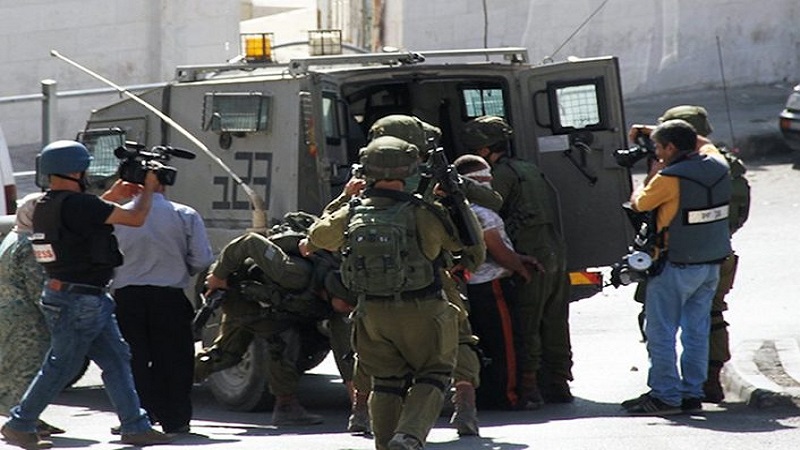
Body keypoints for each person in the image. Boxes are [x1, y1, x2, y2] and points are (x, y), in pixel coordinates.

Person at [307, 135, 477, 450]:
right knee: (434, 373)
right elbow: (465, 243)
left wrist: (345, 198)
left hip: (372, 315)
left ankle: (386, 444)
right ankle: (409, 434)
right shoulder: (424, 212)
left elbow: (316, 237)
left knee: (385, 382)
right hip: (423, 310)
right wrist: (454, 199)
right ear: (410, 170)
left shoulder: (353, 212)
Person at [1, 140, 171, 449]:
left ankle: (135, 425)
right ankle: (20, 423)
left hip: (73, 295)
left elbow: (81, 216)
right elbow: (135, 218)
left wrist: (112, 196)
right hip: (80, 300)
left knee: (116, 359)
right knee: (62, 365)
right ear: (76, 171)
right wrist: (149, 188)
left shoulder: (45, 204)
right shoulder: (80, 205)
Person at [365, 114, 491, 436]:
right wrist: (469, 260)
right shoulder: (433, 179)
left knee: (377, 351)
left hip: (376, 280)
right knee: (458, 337)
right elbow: (467, 225)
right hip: (434, 276)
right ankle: (465, 406)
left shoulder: (370, 177)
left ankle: (363, 413)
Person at [630, 105, 750, 403]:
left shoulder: (668, 178)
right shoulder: (718, 165)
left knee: (661, 333)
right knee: (697, 331)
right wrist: (661, 133)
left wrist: (652, 174)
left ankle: (665, 396)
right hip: (710, 265)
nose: (657, 153)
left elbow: (639, 204)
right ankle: (693, 391)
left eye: (660, 147)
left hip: (675, 264)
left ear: (671, 148)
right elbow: (705, 144)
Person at [462, 115, 573, 408]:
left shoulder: (498, 175)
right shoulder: (527, 167)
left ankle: (528, 387)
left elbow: (483, 212)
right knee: (555, 319)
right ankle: (559, 381)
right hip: (552, 249)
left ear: (484, 149)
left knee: (525, 321)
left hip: (527, 252)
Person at [200, 219, 344, 426]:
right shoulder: (295, 274)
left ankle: (170, 381)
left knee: (226, 356)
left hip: (262, 303)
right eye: (346, 304)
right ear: (329, 293)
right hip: (241, 297)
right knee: (281, 342)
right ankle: (286, 406)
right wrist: (218, 276)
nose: (348, 310)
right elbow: (249, 242)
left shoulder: (328, 294)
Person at [111, 178, 214, 434]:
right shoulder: (184, 214)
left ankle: (136, 418)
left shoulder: (116, 216)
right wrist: (180, 268)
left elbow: (104, 258)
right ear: (164, 183)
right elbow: (202, 259)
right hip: (169, 298)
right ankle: (175, 418)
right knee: (174, 360)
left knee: (132, 361)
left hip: (127, 298)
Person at [453, 154, 543, 410]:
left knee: (480, 343)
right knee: (505, 345)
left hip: (471, 286)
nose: (491, 183)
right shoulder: (483, 213)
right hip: (492, 285)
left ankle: (484, 394)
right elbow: (498, 251)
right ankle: (508, 396)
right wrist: (520, 268)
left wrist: (519, 258)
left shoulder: (457, 210)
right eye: (486, 178)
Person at [0, 193, 64, 437]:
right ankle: (23, 420)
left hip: (9, 311)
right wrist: (55, 312)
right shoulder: (30, 244)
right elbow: (37, 284)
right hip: (28, 318)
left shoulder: (12, 237)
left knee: (13, 364)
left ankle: (24, 417)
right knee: (29, 366)